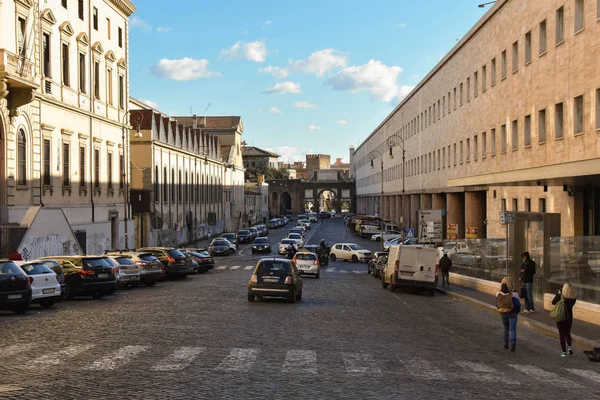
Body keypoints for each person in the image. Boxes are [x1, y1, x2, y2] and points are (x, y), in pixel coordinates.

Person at [496, 277, 521, 352]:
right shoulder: (514, 294)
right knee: (512, 329)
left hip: (503, 313)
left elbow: (496, 304)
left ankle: (505, 344)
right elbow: (518, 305)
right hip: (512, 313)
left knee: (506, 328)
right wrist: (515, 311)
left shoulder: (498, 293)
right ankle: (513, 343)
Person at [552, 283, 577, 357]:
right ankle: (569, 348)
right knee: (567, 333)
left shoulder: (560, 296)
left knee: (561, 334)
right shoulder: (573, 298)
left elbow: (553, 302)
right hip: (569, 318)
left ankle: (564, 351)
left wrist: (558, 294)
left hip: (561, 317)